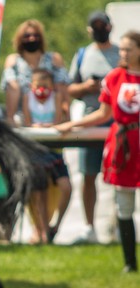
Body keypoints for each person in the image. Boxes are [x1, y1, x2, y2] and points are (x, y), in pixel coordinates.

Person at [56, 31, 140, 273]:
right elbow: (103, 114)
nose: (123, 54)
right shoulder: (115, 78)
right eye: (122, 49)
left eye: (129, 49)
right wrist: (73, 124)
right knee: (124, 202)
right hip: (124, 143)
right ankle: (129, 263)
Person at [66, 10, 120, 245]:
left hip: (117, 120)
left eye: (103, 25)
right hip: (91, 117)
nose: (99, 29)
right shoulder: (82, 55)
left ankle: (121, 224)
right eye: (95, 25)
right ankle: (90, 228)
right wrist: (88, 87)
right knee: (88, 175)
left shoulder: (122, 53)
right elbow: (69, 89)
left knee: (120, 175)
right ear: (89, 29)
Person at [22, 68, 73, 244]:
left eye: (45, 86)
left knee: (66, 187)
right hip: (36, 150)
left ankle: (55, 226)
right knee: (40, 192)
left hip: (54, 150)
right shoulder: (27, 98)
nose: (42, 89)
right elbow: (27, 123)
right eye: (38, 85)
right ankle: (43, 232)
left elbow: (58, 122)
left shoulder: (56, 98)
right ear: (32, 85)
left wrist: (46, 126)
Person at [0, 19, 69, 125]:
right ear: (20, 39)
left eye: (36, 35)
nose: (32, 38)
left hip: (51, 115)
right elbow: (12, 87)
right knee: (13, 87)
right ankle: (11, 121)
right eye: (27, 36)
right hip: (22, 114)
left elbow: (62, 89)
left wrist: (66, 117)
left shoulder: (54, 58)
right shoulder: (13, 60)